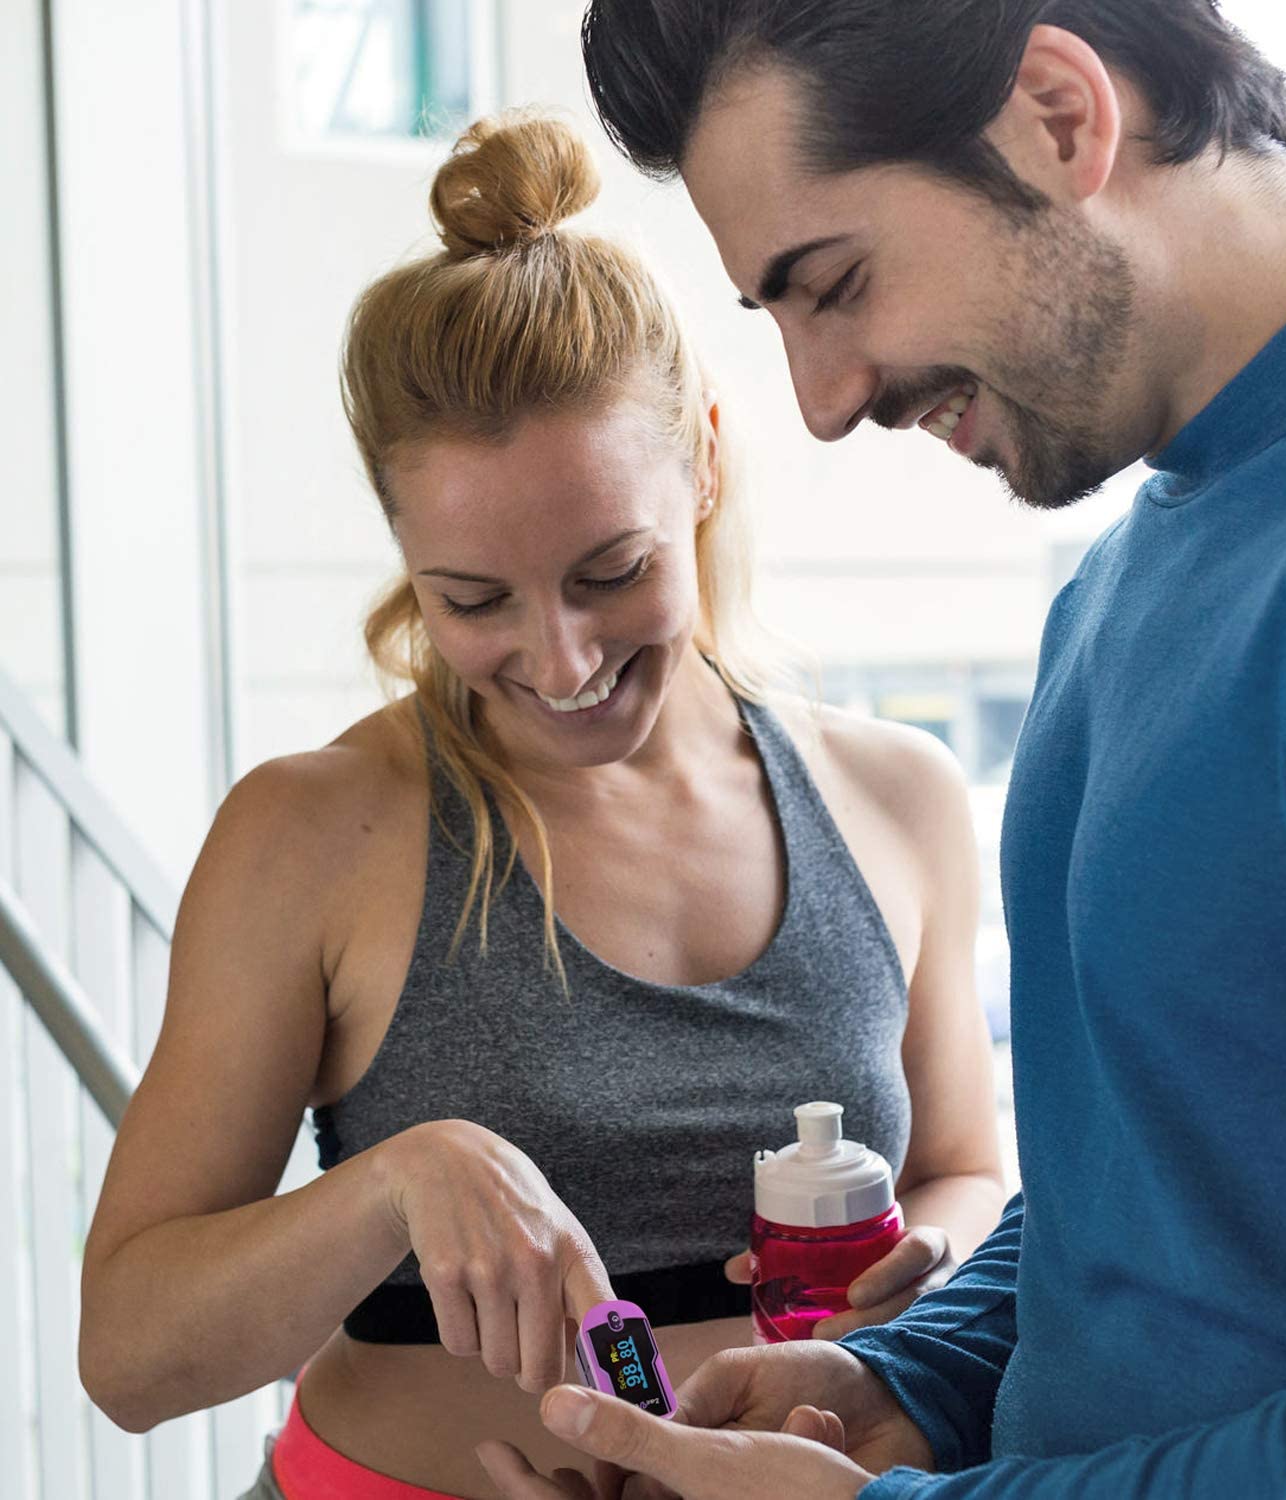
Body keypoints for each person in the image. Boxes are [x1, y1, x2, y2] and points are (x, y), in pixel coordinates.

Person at [471, 2, 1286, 1496]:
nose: (822, 403)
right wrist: (914, 1380)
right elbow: (1151, 1193)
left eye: (834, 285)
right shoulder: (1120, 585)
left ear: (1060, 116)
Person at [76, 109, 1009, 1500]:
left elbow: (968, 1176)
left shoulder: (899, 796)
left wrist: (907, 1311)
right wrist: (403, 1177)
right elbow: (132, 1356)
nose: (561, 659)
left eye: (610, 570)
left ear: (702, 455)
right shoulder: (314, 833)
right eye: (473, 600)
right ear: (406, 552)